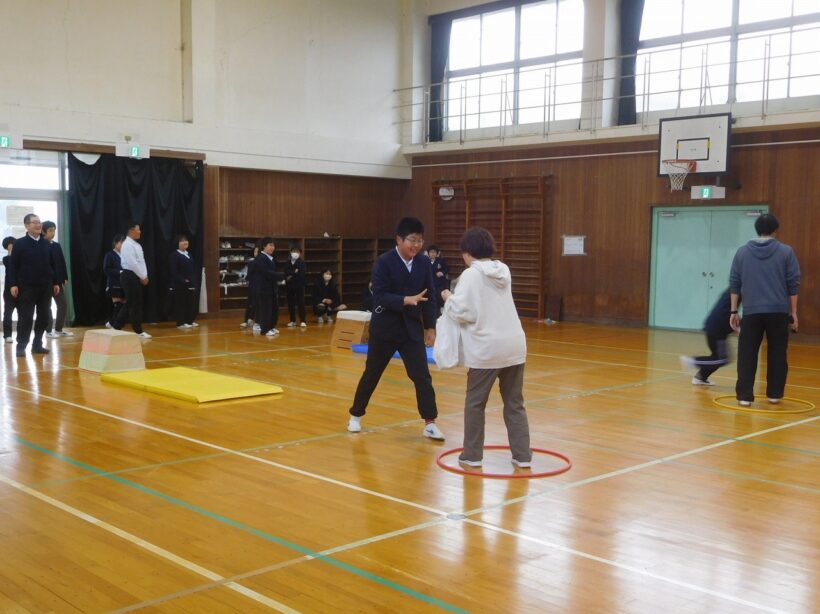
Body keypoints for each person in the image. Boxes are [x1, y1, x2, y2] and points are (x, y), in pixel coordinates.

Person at [437, 227, 531, 467]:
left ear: (467, 252)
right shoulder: (503, 270)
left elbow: (463, 311)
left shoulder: (471, 274)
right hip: (514, 346)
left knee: (475, 404)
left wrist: (448, 297)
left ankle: (472, 455)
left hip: (487, 348)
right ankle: (522, 456)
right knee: (515, 403)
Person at [347, 217, 444, 440]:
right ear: (399, 239)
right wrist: (405, 300)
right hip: (385, 329)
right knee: (372, 373)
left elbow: (429, 296)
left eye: (420, 241)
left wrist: (431, 327)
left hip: (411, 330)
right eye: (412, 240)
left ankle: (430, 422)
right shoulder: (384, 262)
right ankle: (356, 415)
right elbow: (379, 296)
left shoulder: (423, 263)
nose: (416, 245)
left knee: (422, 376)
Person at [729, 213, 800, 406]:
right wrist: (793, 312)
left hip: (751, 311)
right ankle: (774, 394)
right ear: (776, 230)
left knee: (747, 353)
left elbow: (735, 283)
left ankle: (744, 396)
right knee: (778, 352)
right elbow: (793, 284)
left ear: (757, 229)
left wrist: (734, 311)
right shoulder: (786, 252)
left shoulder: (742, 252)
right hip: (778, 311)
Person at [7, 214, 61, 357]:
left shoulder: (46, 243)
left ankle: (37, 344)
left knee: (44, 317)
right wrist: (13, 284)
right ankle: (21, 346)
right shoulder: (19, 244)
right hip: (27, 287)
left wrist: (55, 282)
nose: (38, 225)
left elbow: (52, 264)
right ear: (27, 225)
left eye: (39, 222)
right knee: (26, 317)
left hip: (46, 287)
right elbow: (13, 266)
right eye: (35, 222)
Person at [680, 289, 735, 386]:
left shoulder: (732, 291)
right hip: (717, 327)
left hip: (714, 326)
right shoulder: (736, 291)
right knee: (723, 359)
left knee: (716, 356)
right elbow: (724, 313)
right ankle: (693, 361)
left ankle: (700, 377)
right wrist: (735, 328)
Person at [112, 220, 151, 338]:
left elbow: (141, 262)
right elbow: (132, 263)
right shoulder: (127, 244)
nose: (140, 231)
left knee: (134, 303)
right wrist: (142, 276)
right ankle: (135, 330)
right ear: (131, 231)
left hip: (136, 275)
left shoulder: (136, 245)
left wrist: (144, 275)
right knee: (132, 303)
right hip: (129, 275)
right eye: (138, 229)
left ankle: (118, 327)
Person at [42, 221, 74, 338]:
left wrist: (64, 277)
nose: (53, 233)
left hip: (58, 281)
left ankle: (59, 329)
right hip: (46, 282)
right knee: (47, 306)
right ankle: (48, 330)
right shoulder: (41, 245)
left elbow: (61, 262)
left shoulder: (56, 245)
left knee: (63, 304)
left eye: (54, 230)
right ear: (43, 231)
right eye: (50, 230)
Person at [249, 237, 284, 336]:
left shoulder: (271, 258)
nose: (273, 247)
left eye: (274, 245)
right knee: (266, 310)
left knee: (273, 309)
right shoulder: (260, 258)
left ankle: (271, 327)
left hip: (272, 288)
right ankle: (265, 329)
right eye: (270, 245)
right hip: (263, 288)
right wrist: (282, 275)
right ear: (264, 246)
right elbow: (267, 273)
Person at [169, 234, 198, 329]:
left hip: (190, 282)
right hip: (179, 283)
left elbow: (192, 269)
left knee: (190, 302)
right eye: (182, 241)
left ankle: (189, 320)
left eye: (186, 240)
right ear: (178, 243)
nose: (185, 242)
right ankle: (181, 322)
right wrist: (182, 279)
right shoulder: (174, 255)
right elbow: (173, 270)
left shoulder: (189, 254)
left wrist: (192, 279)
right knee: (180, 303)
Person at [103, 234, 125, 328]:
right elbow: (106, 269)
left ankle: (113, 323)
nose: (122, 245)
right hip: (114, 284)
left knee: (123, 306)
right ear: (115, 243)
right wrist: (120, 272)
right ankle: (113, 324)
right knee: (118, 305)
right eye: (121, 242)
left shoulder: (125, 255)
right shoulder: (110, 255)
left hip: (123, 284)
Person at [284, 244, 308, 328]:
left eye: (297, 252)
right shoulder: (287, 263)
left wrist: (292, 274)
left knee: (301, 303)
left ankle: (303, 321)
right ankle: (292, 321)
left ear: (300, 253)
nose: (295, 253)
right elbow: (286, 272)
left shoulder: (302, 263)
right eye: (293, 251)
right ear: (290, 252)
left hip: (299, 285)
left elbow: (302, 273)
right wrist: (294, 271)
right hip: (289, 286)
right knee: (291, 304)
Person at [2, 236, 18, 343]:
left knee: (23, 314)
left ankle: (21, 334)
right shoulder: (6, 259)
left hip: (22, 289)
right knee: (8, 313)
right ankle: (7, 335)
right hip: (8, 291)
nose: (12, 246)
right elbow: (10, 263)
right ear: (6, 247)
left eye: (13, 244)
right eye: (10, 245)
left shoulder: (21, 258)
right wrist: (11, 252)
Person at [240, 243, 259, 329]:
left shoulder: (264, 263)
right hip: (253, 285)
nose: (256, 253)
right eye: (255, 252)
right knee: (250, 303)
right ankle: (246, 320)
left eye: (257, 252)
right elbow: (249, 276)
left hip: (261, 286)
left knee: (257, 304)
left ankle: (254, 320)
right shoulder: (251, 263)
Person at [427, 245, 449, 315]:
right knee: (430, 299)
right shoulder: (426, 261)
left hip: (439, 284)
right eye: (431, 252)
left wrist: (442, 272)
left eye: (434, 252)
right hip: (430, 284)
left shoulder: (441, 260)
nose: (432, 254)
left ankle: (438, 313)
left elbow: (447, 269)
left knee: (438, 298)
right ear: (428, 253)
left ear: (437, 253)